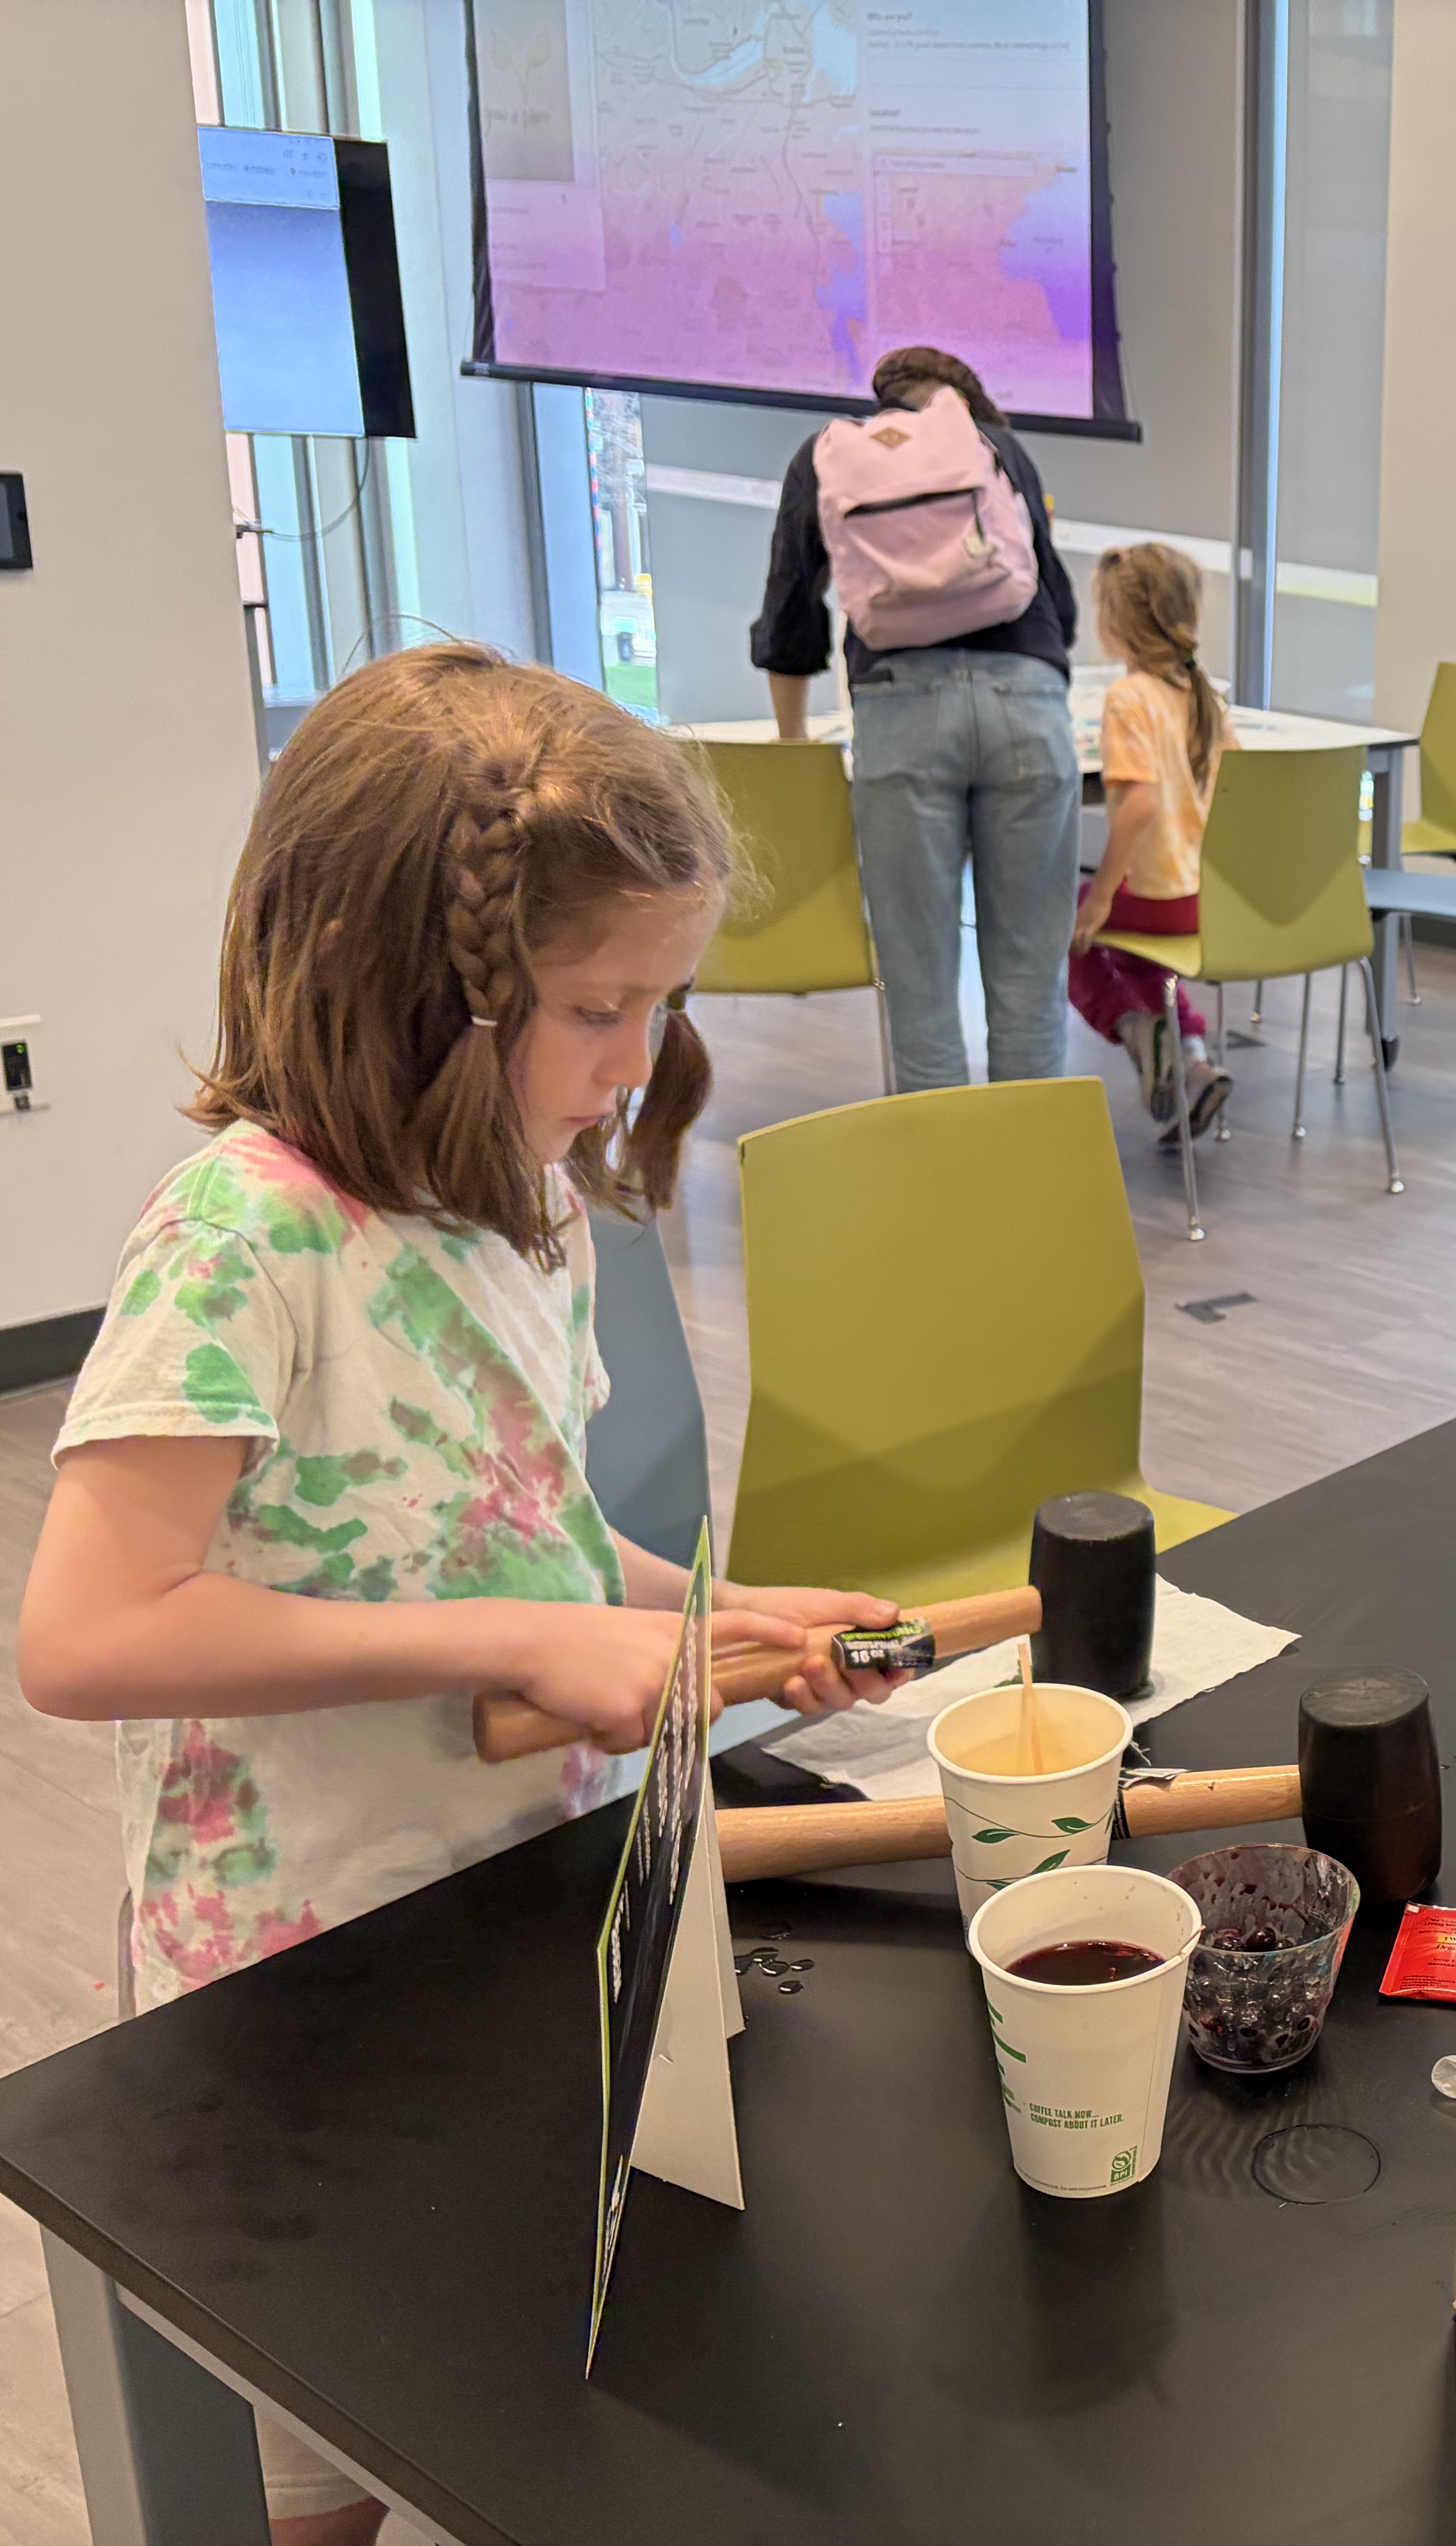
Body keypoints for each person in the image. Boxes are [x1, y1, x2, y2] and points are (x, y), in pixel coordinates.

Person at [14, 645, 900, 2546]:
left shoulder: (531, 1196)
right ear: (407, 991)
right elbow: (86, 1633)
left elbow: (538, 1552)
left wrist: (714, 1621)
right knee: (328, 2455)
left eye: (661, 1005)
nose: (639, 1065)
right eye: (598, 1010)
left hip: (524, 1912)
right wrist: (516, 1639)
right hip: (303, 1998)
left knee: (503, 2401)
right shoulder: (247, 1236)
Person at [752, 345, 1083, 1093]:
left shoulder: (827, 456)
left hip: (900, 712)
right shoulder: (997, 447)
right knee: (1032, 977)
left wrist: (795, 742)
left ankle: (942, 1187)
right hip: (1027, 711)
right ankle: (1029, 1178)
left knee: (920, 982)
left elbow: (789, 615)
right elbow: (1056, 607)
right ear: (961, 399)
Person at [1068, 542, 1238, 1140]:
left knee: (1071, 932)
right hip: (1209, 899)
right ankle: (1191, 1059)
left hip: (1160, 893)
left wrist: (1100, 899)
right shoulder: (1205, 697)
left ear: (1114, 623)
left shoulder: (1129, 698)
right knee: (1140, 954)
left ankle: (1139, 1032)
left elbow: (1139, 804)